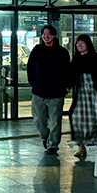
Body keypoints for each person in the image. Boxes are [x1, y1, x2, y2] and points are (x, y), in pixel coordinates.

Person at [26, 24, 71, 154]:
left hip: (56, 93)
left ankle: (53, 145)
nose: (46, 36)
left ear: (54, 35)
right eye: (43, 34)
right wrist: (33, 82)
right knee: (39, 119)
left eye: (48, 34)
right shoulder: (37, 50)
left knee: (55, 121)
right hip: (39, 92)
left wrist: (66, 86)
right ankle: (45, 136)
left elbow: (67, 70)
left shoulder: (62, 52)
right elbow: (31, 67)